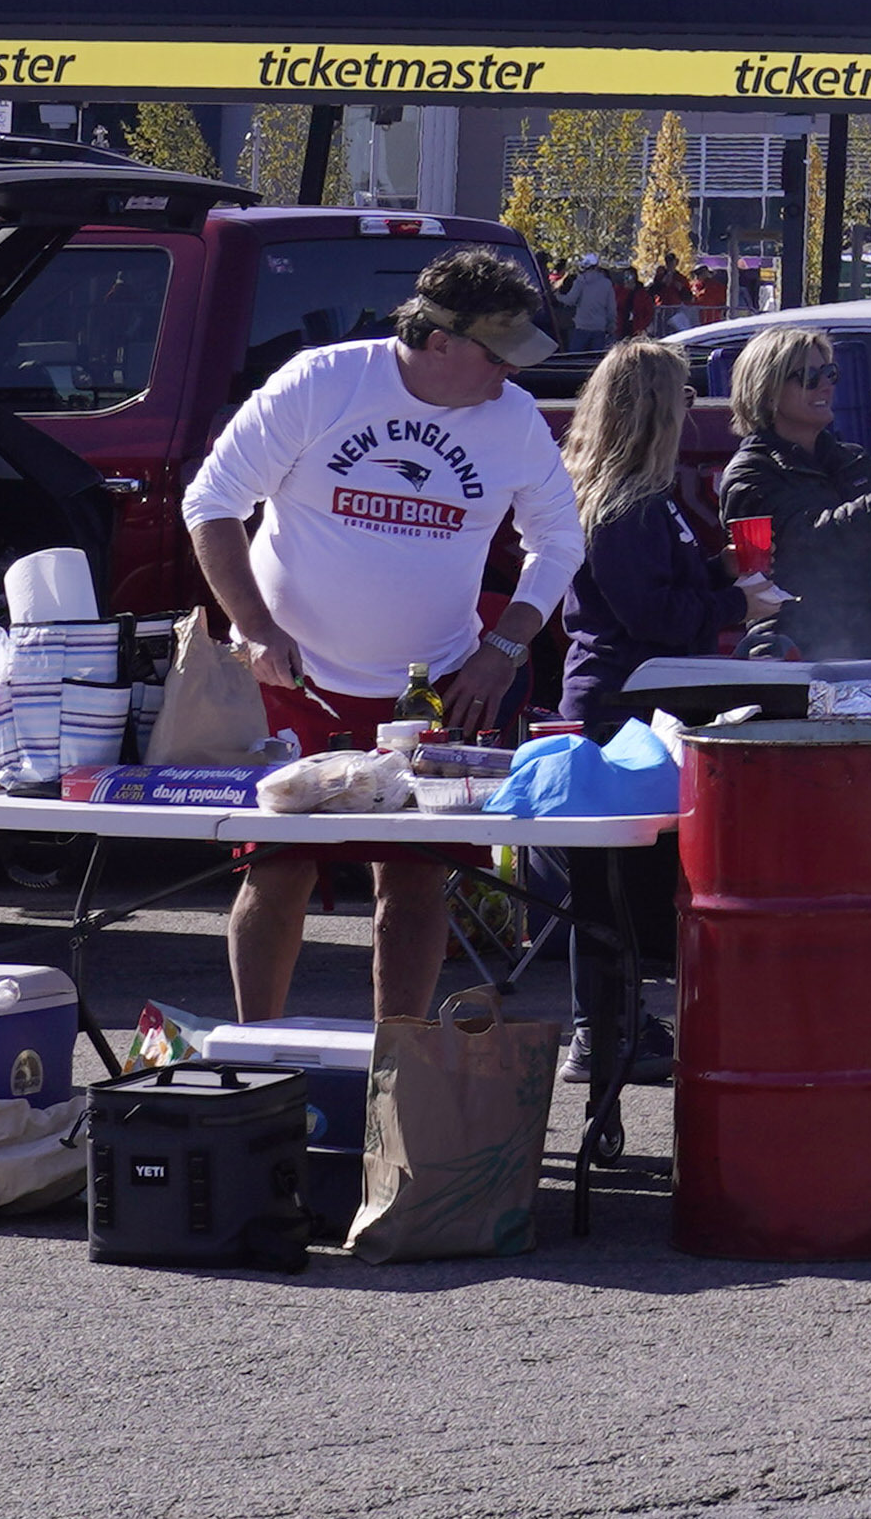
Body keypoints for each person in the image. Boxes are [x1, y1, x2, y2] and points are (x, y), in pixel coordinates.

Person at [180, 249, 583, 1026]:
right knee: (279, 867)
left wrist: (503, 649)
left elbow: (559, 543)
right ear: (441, 342)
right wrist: (256, 628)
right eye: (499, 357)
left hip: (431, 687)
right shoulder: (322, 381)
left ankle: (398, 1058)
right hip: (294, 681)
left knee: (416, 875)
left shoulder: (515, 420)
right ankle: (257, 1049)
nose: (510, 374)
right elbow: (213, 502)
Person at [551, 338, 753, 1084]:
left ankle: (618, 1025)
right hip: (617, 708)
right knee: (610, 885)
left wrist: (715, 570)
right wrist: (734, 599)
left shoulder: (639, 495)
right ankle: (597, 1035)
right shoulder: (625, 503)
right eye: (683, 397)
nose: (692, 410)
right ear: (653, 411)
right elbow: (650, 614)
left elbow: (653, 593)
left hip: (634, 702)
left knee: (626, 885)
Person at [723, 323, 871, 663]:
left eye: (829, 373)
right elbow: (817, 540)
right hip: (800, 656)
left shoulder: (853, 460)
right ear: (767, 390)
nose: (825, 386)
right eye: (808, 377)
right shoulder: (750, 474)